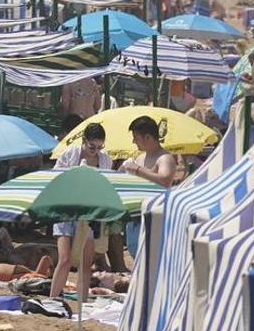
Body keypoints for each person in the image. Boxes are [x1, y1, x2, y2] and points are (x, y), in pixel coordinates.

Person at [50, 123, 112, 302]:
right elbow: (56, 179)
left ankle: (82, 302)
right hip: (66, 208)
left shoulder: (105, 159)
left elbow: (106, 185)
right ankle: (52, 299)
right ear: (84, 141)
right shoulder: (69, 154)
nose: (96, 151)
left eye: (100, 147)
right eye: (92, 146)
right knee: (65, 259)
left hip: (90, 211)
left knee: (86, 263)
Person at [121, 116, 177, 188]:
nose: (133, 141)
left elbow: (164, 181)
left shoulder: (165, 158)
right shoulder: (140, 157)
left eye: (136, 138)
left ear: (147, 137)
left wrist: (138, 169)